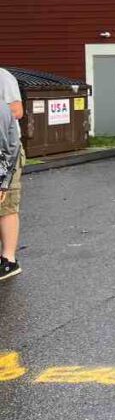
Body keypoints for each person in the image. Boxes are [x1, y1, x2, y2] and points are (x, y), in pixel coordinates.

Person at [0, 67, 24, 280]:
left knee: (6, 203)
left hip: (6, 150)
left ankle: (8, 259)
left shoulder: (3, 77)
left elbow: (17, 110)